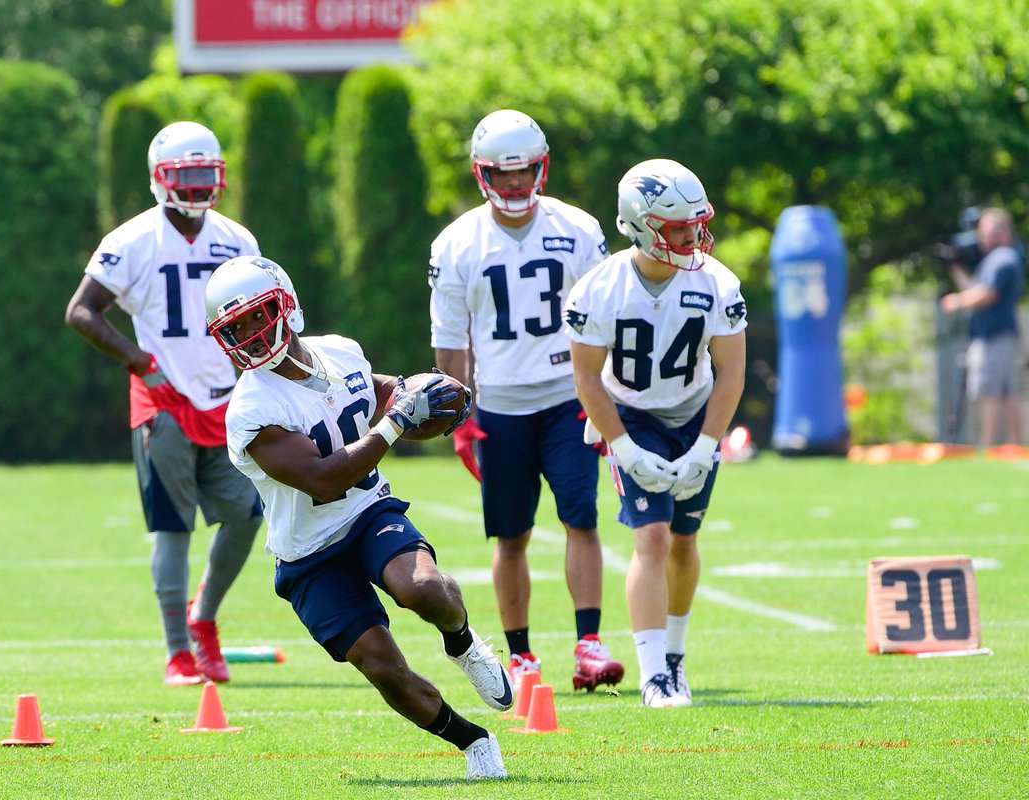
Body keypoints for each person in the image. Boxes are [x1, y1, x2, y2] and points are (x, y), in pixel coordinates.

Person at [204, 255, 511, 780]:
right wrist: (396, 423)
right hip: (307, 554)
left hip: (367, 513)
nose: (252, 335)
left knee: (424, 590)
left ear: (287, 305)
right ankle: (473, 740)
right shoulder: (249, 408)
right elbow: (324, 477)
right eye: (237, 328)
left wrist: (426, 397)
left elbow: (384, 395)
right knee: (381, 667)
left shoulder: (340, 351)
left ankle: (463, 641)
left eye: (258, 317)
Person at [427, 108, 623, 693]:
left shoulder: (580, 229)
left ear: (542, 167)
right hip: (500, 406)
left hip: (570, 398)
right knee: (509, 534)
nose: (514, 185)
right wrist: (460, 417)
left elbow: (604, 321)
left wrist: (607, 396)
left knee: (580, 518)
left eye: (524, 172)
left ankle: (589, 644)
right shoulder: (457, 242)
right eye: (501, 174)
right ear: (481, 173)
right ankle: (522, 655)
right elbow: (449, 338)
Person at [65, 121, 263, 686]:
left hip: (229, 398)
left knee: (248, 514)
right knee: (173, 528)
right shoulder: (131, 241)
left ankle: (203, 618)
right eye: (187, 175)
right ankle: (178, 652)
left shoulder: (238, 239)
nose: (199, 187)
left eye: (207, 175)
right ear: (160, 179)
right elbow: (81, 310)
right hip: (164, 399)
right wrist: (140, 360)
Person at [563, 158, 747, 708]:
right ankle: (653, 675)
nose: (693, 236)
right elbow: (586, 376)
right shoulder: (598, 290)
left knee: (685, 541)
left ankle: (674, 656)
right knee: (653, 536)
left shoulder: (718, 283)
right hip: (631, 411)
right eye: (677, 227)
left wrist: (708, 445)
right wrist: (620, 444)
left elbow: (731, 371)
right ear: (640, 225)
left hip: (695, 409)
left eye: (697, 223)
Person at [939, 207, 1024, 447]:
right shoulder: (994, 261)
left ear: (1002, 232)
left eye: (985, 231)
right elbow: (975, 288)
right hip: (997, 336)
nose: (981, 237)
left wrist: (956, 301)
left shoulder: (1004, 258)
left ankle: (989, 446)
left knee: (989, 390)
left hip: (995, 336)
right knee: (1007, 391)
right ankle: (1013, 446)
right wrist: (954, 267)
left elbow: (986, 294)